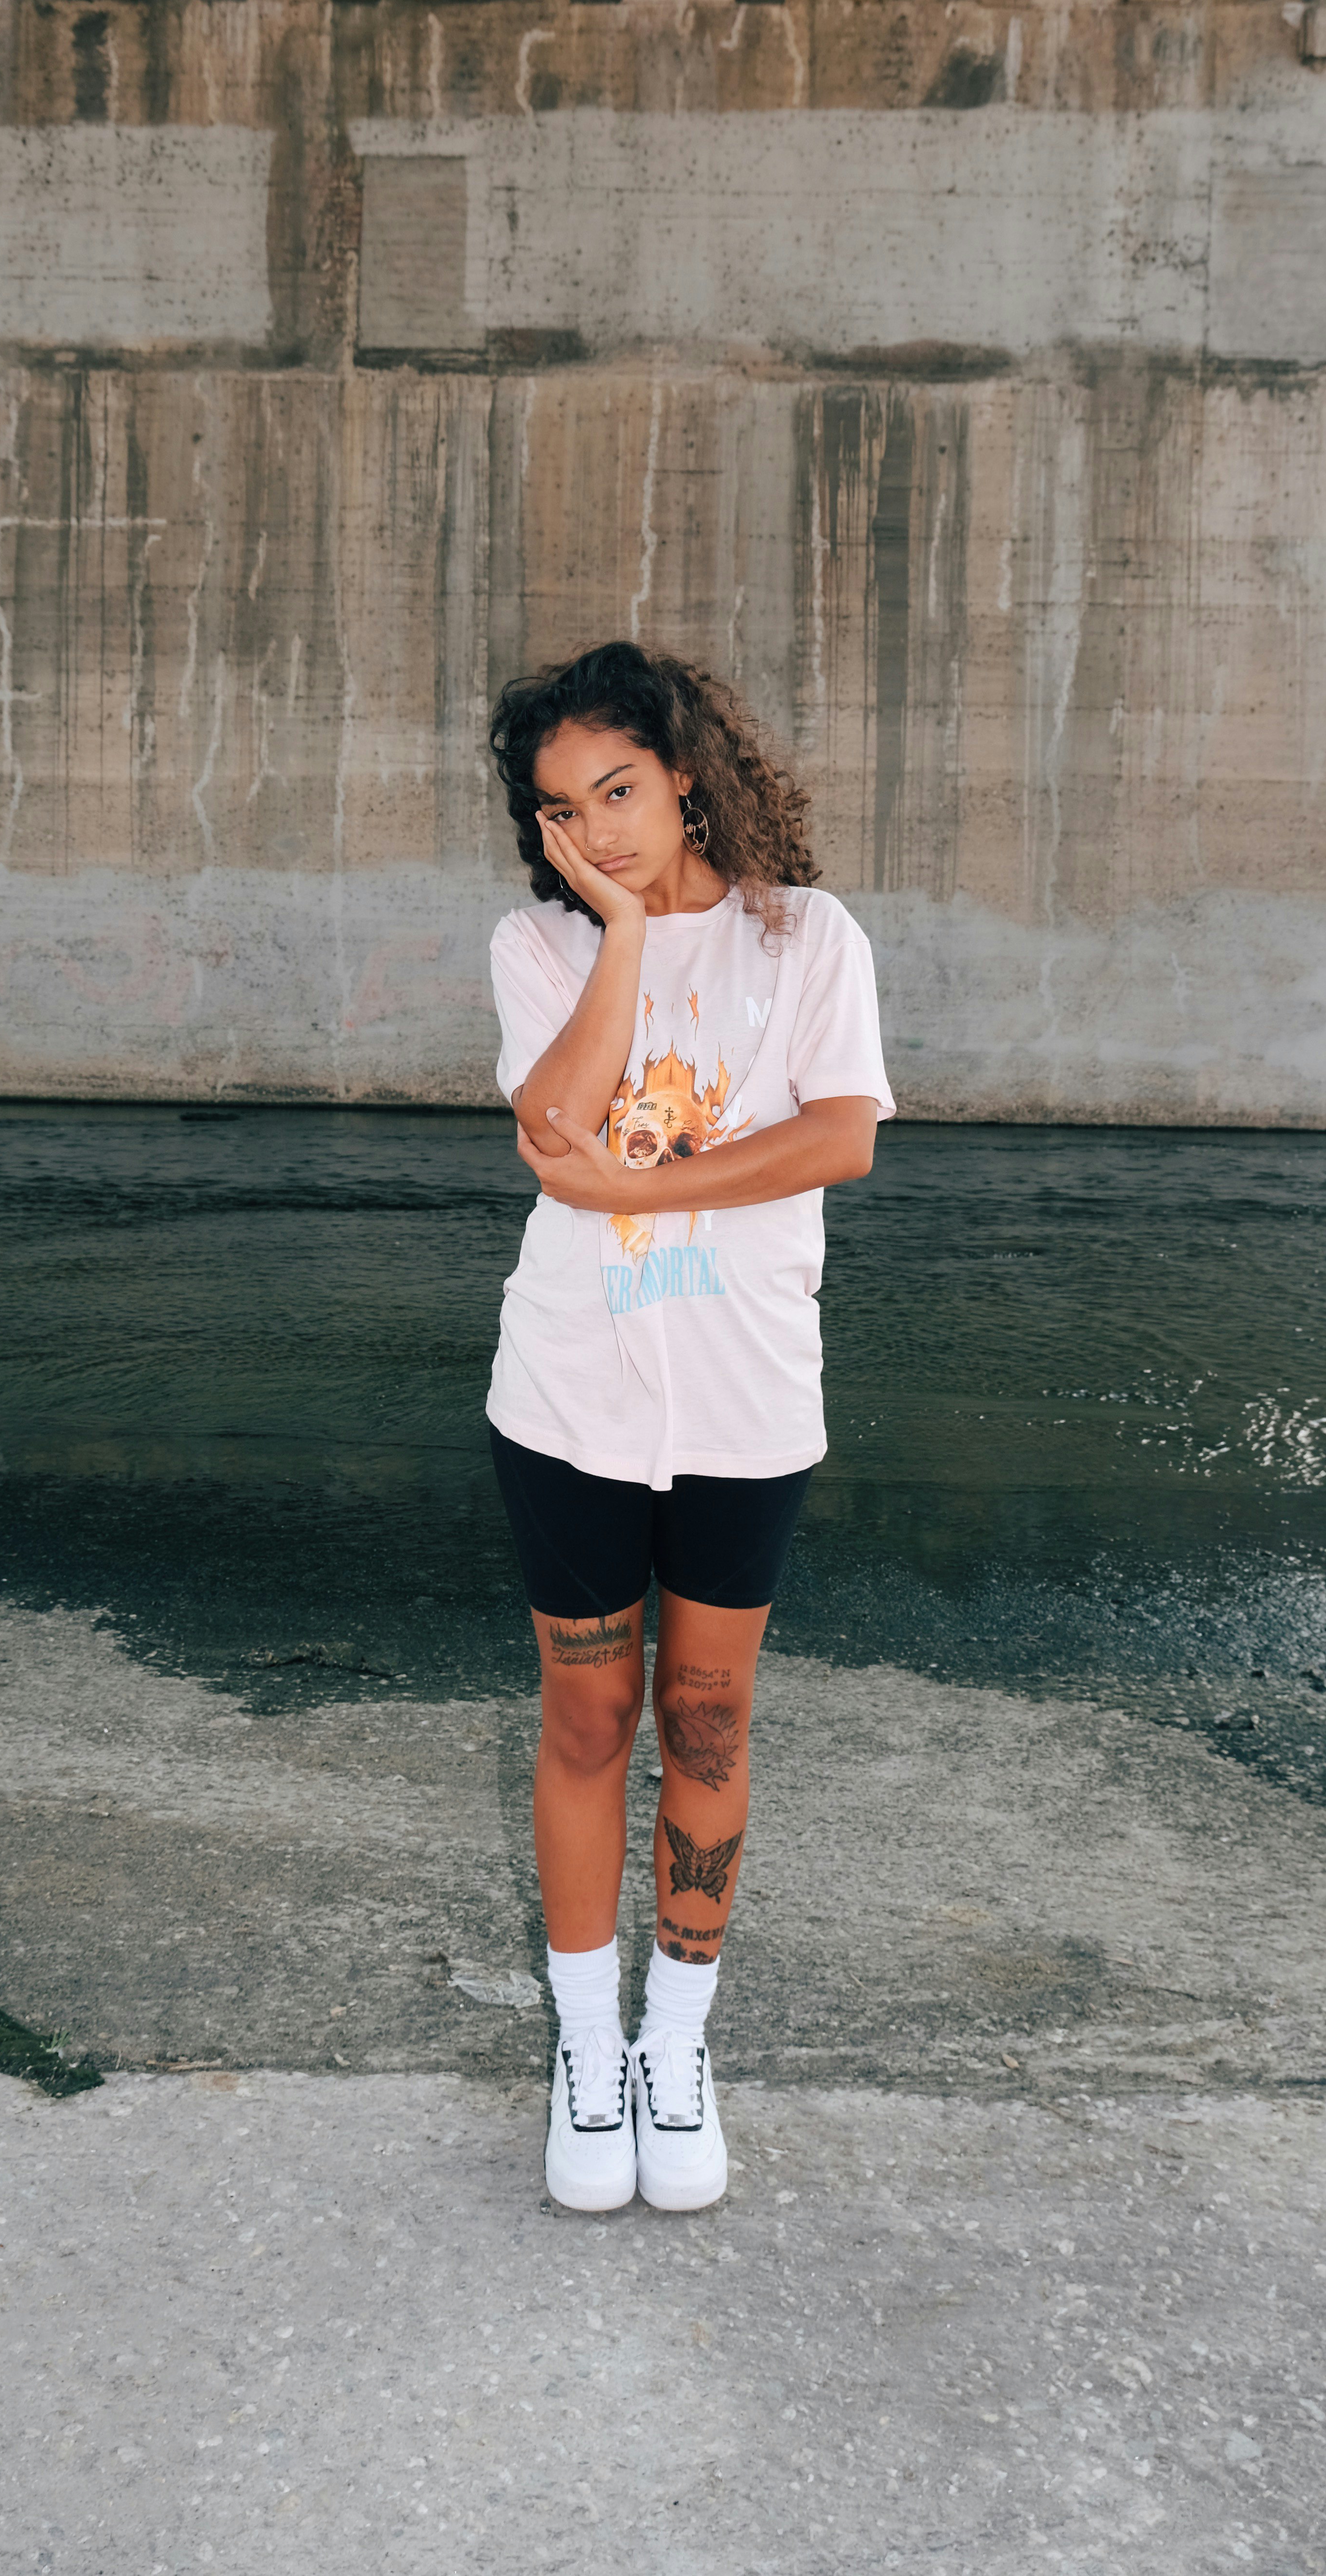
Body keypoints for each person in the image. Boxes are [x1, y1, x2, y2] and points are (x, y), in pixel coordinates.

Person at [484, 641, 894, 2210]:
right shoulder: (540, 947)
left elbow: (840, 1138)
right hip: (569, 1400)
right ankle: (589, 2049)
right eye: (561, 809)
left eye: (622, 792)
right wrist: (630, 934)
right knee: (588, 1721)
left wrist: (638, 1190)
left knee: (706, 1726)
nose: (594, 830)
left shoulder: (811, 941)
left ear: (688, 776)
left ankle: (679, 2039)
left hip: (743, 1408)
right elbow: (559, 1131)